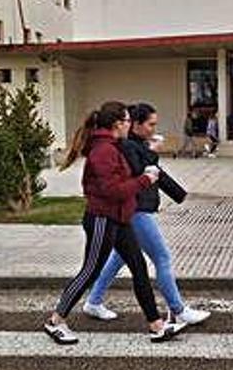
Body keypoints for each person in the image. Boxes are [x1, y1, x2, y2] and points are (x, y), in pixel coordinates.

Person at [44, 101, 186, 345]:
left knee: (139, 267)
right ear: (118, 124)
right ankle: (55, 321)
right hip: (102, 218)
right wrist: (144, 180)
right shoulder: (103, 151)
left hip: (120, 218)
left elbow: (133, 161)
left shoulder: (113, 145)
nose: (130, 125)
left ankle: (156, 326)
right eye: (128, 121)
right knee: (90, 271)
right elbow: (113, 191)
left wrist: (149, 152)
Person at [83, 103, 211, 325]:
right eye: (150, 124)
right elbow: (142, 170)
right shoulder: (127, 146)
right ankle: (178, 309)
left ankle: (93, 301)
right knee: (162, 257)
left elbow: (154, 172)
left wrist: (179, 194)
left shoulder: (135, 144)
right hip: (136, 209)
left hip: (136, 207)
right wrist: (152, 151)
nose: (154, 128)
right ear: (135, 124)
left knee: (119, 257)